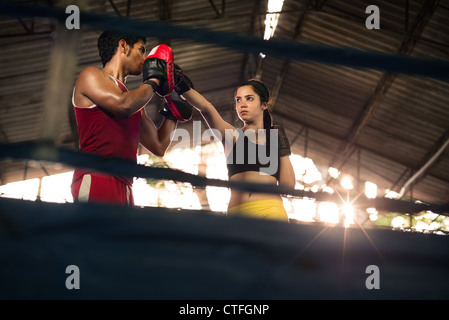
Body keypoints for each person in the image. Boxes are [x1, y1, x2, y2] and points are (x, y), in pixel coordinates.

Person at [71, 31, 192, 206]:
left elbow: (158, 146)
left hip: (126, 186)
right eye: (141, 50)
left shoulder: (132, 101)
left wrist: (173, 108)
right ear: (123, 46)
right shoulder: (91, 76)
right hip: (97, 177)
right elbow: (123, 106)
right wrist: (154, 79)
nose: (145, 59)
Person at [172, 66, 296, 222]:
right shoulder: (232, 136)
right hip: (237, 214)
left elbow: (288, 187)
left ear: (264, 104)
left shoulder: (274, 138)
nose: (242, 104)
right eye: (238, 100)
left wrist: (283, 149)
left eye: (249, 98)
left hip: (271, 211)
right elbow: (206, 108)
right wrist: (179, 84)